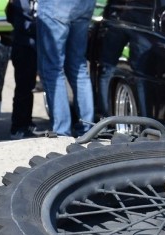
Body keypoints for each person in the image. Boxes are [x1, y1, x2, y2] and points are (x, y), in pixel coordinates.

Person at [36, 0, 97, 137]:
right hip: (84, 4)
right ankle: (88, 129)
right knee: (79, 67)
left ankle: (62, 131)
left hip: (56, 5)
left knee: (53, 69)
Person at [6, 0, 40, 138]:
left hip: (30, 45)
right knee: (23, 87)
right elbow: (17, 19)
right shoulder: (21, 4)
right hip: (23, 46)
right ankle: (18, 126)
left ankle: (26, 122)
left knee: (28, 86)